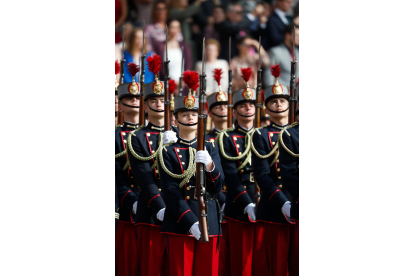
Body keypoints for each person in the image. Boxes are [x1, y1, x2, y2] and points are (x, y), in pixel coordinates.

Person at [158, 71, 224, 276]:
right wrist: (190, 222)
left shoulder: (209, 147)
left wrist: (211, 166)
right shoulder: (167, 150)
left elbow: (218, 186)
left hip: (208, 217)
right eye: (185, 115)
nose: (190, 118)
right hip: (181, 219)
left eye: (194, 114)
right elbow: (170, 191)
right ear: (175, 120)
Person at [127, 54, 178, 276]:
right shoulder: (137, 137)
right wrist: (160, 208)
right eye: (153, 101)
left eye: (162, 101)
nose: (158, 105)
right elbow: (144, 177)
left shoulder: (179, 134)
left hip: (179, 210)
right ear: (145, 105)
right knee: (151, 267)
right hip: (151, 209)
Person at [250, 63, 297, 276]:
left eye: (282, 101)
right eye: (273, 102)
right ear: (267, 108)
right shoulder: (260, 135)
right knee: (277, 265)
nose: (278, 105)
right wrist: (283, 202)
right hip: (276, 205)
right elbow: (262, 174)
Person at [216, 67, 257, 276]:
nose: (248, 108)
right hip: (239, 202)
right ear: (235, 111)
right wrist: (246, 202)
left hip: (268, 202)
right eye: (243, 105)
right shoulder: (226, 137)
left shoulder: (264, 135)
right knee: (242, 262)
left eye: (251, 104)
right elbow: (230, 175)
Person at [115, 67, 142, 276]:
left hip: (157, 205)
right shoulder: (115, 135)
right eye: (128, 98)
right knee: (128, 264)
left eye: (137, 97)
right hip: (127, 205)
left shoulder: (153, 134)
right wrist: (129, 200)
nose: (134, 101)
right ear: (120, 105)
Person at [205, 71, 230, 276]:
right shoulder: (207, 140)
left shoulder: (238, 136)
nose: (222, 109)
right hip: (216, 198)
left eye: (225, 106)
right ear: (210, 113)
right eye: (217, 107)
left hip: (240, 199)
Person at [153, 19, 192, 84]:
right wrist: (170, 81)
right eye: (172, 27)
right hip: (166, 83)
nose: (175, 30)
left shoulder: (184, 46)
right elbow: (160, 66)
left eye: (177, 27)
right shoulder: (161, 46)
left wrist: (183, 80)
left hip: (182, 83)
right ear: (167, 28)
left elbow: (188, 63)